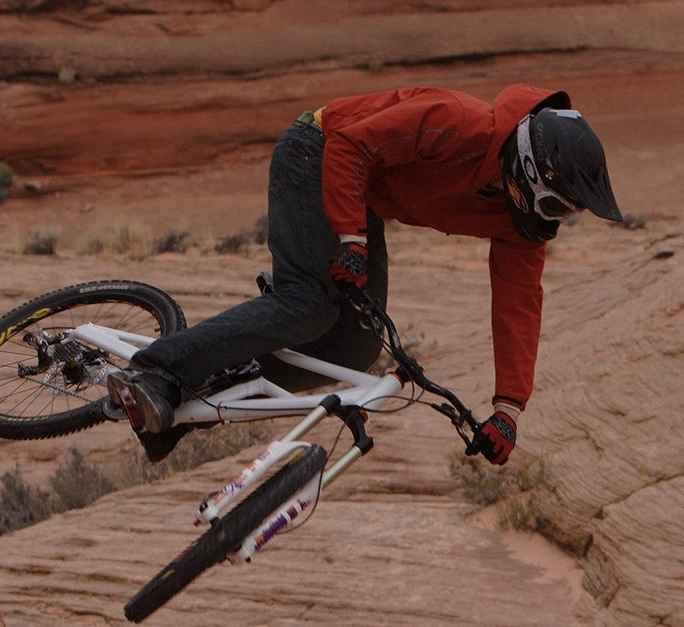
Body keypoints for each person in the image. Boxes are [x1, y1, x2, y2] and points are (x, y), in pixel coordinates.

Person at [107, 84, 624, 465]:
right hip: (318, 151)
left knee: (353, 349)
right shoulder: (461, 122)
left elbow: (519, 305)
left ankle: (182, 401)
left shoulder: (518, 224)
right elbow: (352, 144)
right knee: (310, 301)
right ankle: (156, 371)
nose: (555, 219)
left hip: (364, 199)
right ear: (532, 170)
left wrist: (509, 407)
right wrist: (351, 239)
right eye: (558, 205)